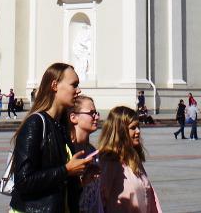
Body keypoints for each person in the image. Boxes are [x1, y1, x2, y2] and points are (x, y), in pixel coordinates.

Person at [9, 62, 96, 213]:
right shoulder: (36, 123)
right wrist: (66, 170)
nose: (78, 90)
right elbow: (23, 180)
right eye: (73, 85)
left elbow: (57, 183)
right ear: (55, 85)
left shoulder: (61, 125)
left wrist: (81, 179)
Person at [87, 106, 163, 212]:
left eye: (138, 127)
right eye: (133, 128)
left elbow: (149, 197)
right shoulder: (109, 162)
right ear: (120, 131)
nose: (138, 131)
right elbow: (98, 202)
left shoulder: (133, 158)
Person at [66, 95, 102, 213]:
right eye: (91, 113)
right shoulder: (66, 150)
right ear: (74, 117)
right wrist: (82, 182)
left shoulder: (92, 151)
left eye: (96, 113)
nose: (96, 117)